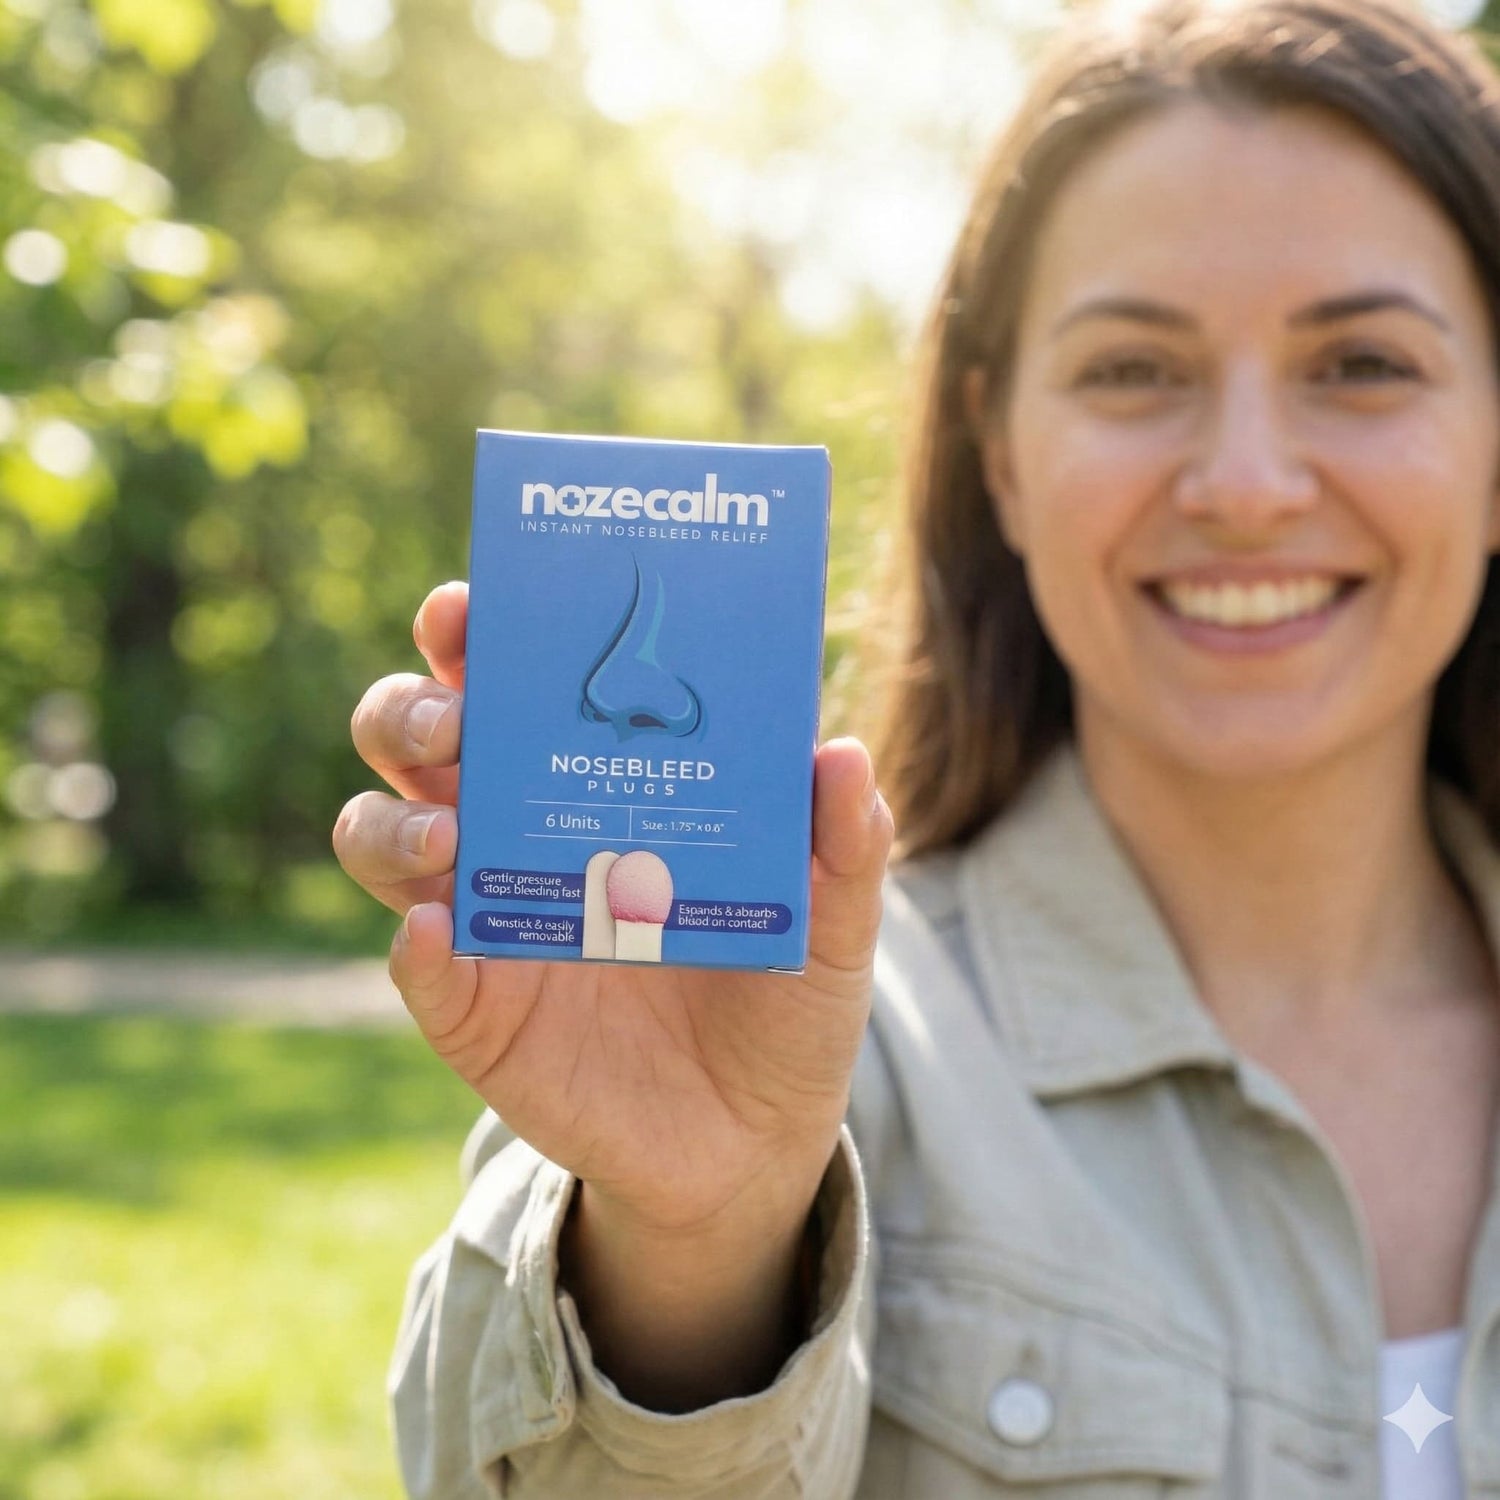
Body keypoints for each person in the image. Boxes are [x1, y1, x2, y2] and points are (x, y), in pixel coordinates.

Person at [332, 0, 1500, 1493]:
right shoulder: (794, 1033)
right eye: (1135, 371)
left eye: (1365, 367)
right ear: (1002, 455)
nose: (1249, 484)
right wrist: (693, 1239)